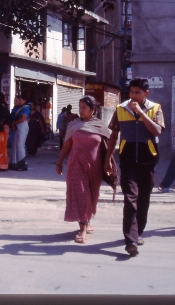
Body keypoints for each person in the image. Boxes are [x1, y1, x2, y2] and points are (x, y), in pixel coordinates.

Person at [105, 78, 165, 257]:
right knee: (130, 198)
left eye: (137, 93)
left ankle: (137, 233)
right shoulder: (121, 109)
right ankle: (130, 240)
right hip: (128, 160)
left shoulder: (156, 108)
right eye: (131, 92)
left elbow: (157, 131)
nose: (133, 96)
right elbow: (114, 135)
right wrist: (108, 159)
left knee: (143, 200)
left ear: (146, 93)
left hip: (148, 161)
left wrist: (141, 113)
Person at [56, 96, 117, 243]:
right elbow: (66, 145)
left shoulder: (100, 126)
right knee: (80, 195)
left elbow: (109, 147)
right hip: (76, 165)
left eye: (84, 108)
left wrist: (108, 162)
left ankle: (87, 219)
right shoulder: (74, 125)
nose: (81, 110)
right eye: (80, 107)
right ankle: (82, 230)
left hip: (94, 167)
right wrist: (59, 163)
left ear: (93, 110)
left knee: (92, 196)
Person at [9, 94, 30, 171]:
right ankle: (14, 163)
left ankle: (23, 164)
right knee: (15, 145)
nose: (19, 101)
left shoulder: (26, 108)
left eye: (21, 99)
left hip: (22, 126)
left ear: (24, 100)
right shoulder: (19, 108)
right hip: (18, 126)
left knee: (20, 145)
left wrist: (14, 123)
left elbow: (23, 118)